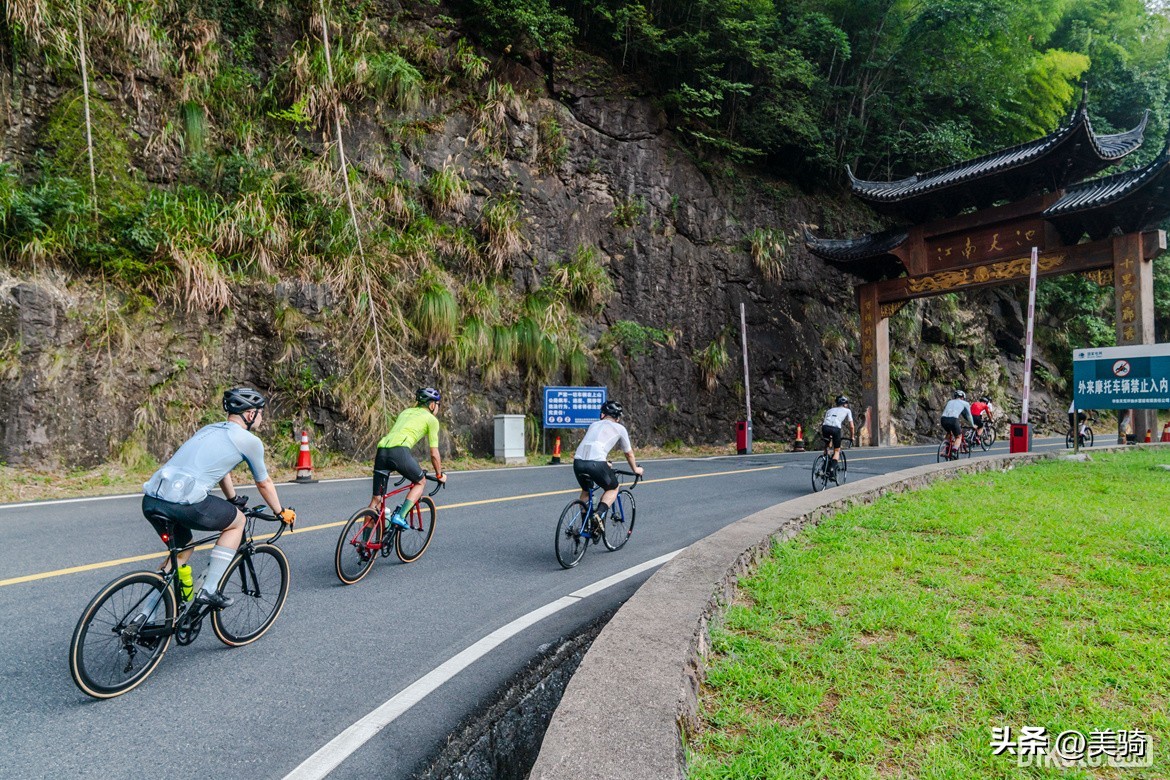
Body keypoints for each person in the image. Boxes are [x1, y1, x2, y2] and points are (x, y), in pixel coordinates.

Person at [140, 387, 295, 616]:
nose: (261, 418)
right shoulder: (249, 440)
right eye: (261, 413)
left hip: (152, 500)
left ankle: (144, 616)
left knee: (181, 553)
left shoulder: (209, 430)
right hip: (183, 502)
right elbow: (264, 483)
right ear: (250, 414)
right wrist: (280, 511)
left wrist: (232, 499)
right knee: (238, 522)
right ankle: (209, 589)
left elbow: (221, 470)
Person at [370, 387, 447, 529]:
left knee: (376, 501)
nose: (438, 407)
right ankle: (400, 516)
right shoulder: (431, 420)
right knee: (420, 482)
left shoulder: (405, 412)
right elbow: (434, 453)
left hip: (382, 451)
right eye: (438, 404)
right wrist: (439, 475)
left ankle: (364, 540)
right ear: (432, 405)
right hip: (399, 453)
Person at [573, 399, 643, 530]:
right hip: (596, 463)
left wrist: (604, 463)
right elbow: (629, 454)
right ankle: (598, 515)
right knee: (613, 488)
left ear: (602, 415)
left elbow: (592, 445)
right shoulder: (620, 428)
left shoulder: (593, 425)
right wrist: (635, 469)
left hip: (578, 462)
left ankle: (584, 527)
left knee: (586, 491)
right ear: (618, 418)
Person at [820, 395, 855, 477]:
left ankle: (824, 466)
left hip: (825, 427)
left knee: (827, 446)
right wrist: (852, 437)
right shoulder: (847, 411)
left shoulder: (829, 410)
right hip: (836, 429)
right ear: (844, 404)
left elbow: (826, 421)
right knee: (836, 451)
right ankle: (832, 469)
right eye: (846, 403)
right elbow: (851, 426)